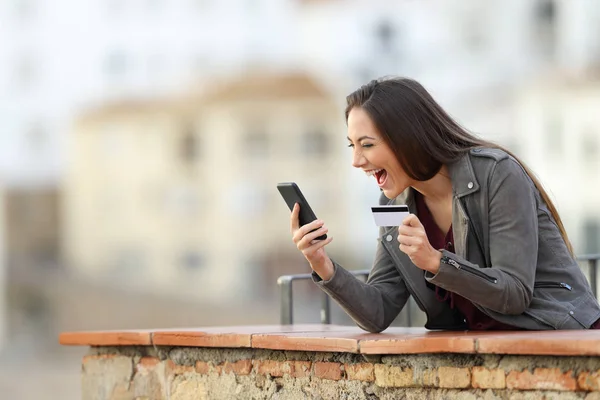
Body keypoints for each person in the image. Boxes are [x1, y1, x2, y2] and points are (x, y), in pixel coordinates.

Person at [289, 77, 600, 331]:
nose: (356, 161)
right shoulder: (392, 202)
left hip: (564, 339)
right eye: (352, 146)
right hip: (488, 353)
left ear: (407, 137)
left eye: (367, 145)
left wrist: (437, 262)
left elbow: (514, 293)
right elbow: (379, 311)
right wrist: (323, 266)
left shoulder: (496, 174)